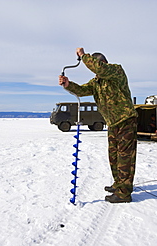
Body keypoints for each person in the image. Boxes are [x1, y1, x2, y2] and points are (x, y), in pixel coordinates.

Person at [58, 48, 138, 203]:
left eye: (96, 65)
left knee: (125, 157)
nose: (95, 71)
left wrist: (83, 56)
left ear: (103, 63)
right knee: (114, 156)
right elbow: (82, 90)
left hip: (126, 120)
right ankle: (118, 184)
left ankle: (124, 193)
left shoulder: (116, 71)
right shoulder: (97, 83)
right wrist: (68, 84)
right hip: (113, 123)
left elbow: (99, 68)